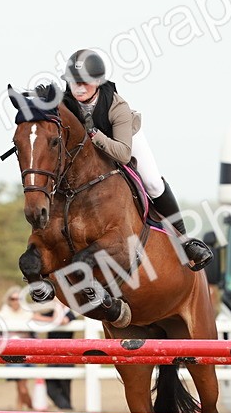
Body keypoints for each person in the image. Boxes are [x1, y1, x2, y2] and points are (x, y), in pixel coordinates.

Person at [61, 49, 214, 272]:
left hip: (124, 141)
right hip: (92, 152)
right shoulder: (65, 102)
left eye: (85, 82)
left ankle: (184, 240)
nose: (79, 88)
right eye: (74, 82)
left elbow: (123, 154)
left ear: (98, 82)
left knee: (153, 183)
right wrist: (42, 103)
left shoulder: (118, 107)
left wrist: (93, 133)